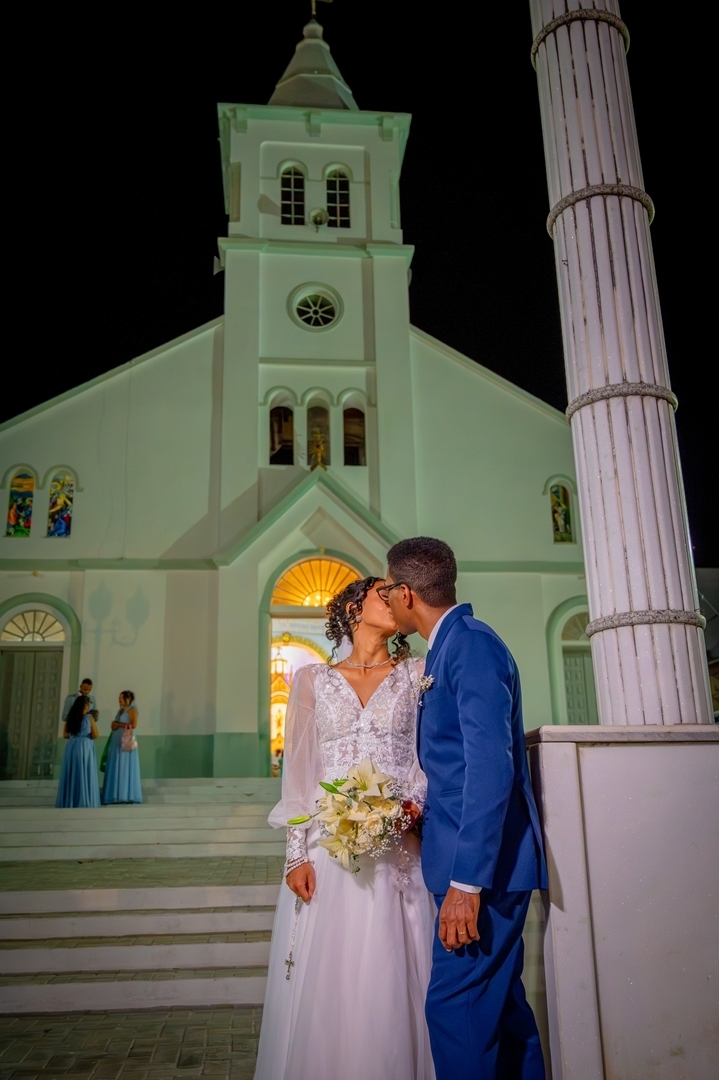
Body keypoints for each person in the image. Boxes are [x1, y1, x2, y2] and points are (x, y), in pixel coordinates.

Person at [254, 577, 436, 1080]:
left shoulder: (416, 674)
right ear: (355, 606)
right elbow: (301, 773)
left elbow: (426, 763)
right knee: (331, 979)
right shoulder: (314, 680)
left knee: (392, 976)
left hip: (400, 849)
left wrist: (410, 809)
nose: (398, 598)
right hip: (328, 851)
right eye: (384, 592)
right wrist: (295, 854)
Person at [384, 537, 547, 1080]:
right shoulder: (449, 645)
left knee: (454, 1011)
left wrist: (467, 884)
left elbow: (491, 766)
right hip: (466, 859)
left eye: (388, 590)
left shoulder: (472, 645)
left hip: (483, 870)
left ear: (406, 593)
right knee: (501, 1011)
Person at [55, 695, 101, 808]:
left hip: (72, 747)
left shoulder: (71, 717)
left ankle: (71, 800)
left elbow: (65, 734)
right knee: (83, 773)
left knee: (73, 772)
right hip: (85, 747)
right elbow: (96, 735)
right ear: (85, 705)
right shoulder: (89, 718)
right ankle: (84, 800)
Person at [101, 691, 143, 804]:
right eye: (119, 697)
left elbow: (133, 724)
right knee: (116, 765)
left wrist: (118, 724)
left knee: (125, 765)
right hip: (117, 740)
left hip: (126, 739)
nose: (119, 699)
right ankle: (115, 794)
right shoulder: (120, 711)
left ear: (128, 698)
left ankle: (125, 794)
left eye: (122, 698)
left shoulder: (132, 709)